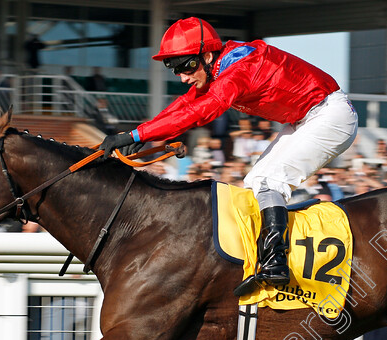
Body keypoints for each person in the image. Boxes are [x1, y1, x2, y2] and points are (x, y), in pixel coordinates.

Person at [100, 17, 358, 295]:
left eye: (187, 66)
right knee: (255, 182)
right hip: (305, 118)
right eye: (174, 69)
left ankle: (276, 264)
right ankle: (267, 258)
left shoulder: (237, 71)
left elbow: (200, 112)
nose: (183, 76)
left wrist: (138, 136)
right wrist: (139, 133)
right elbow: (187, 102)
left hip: (330, 116)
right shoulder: (220, 65)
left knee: (270, 182)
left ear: (207, 55)